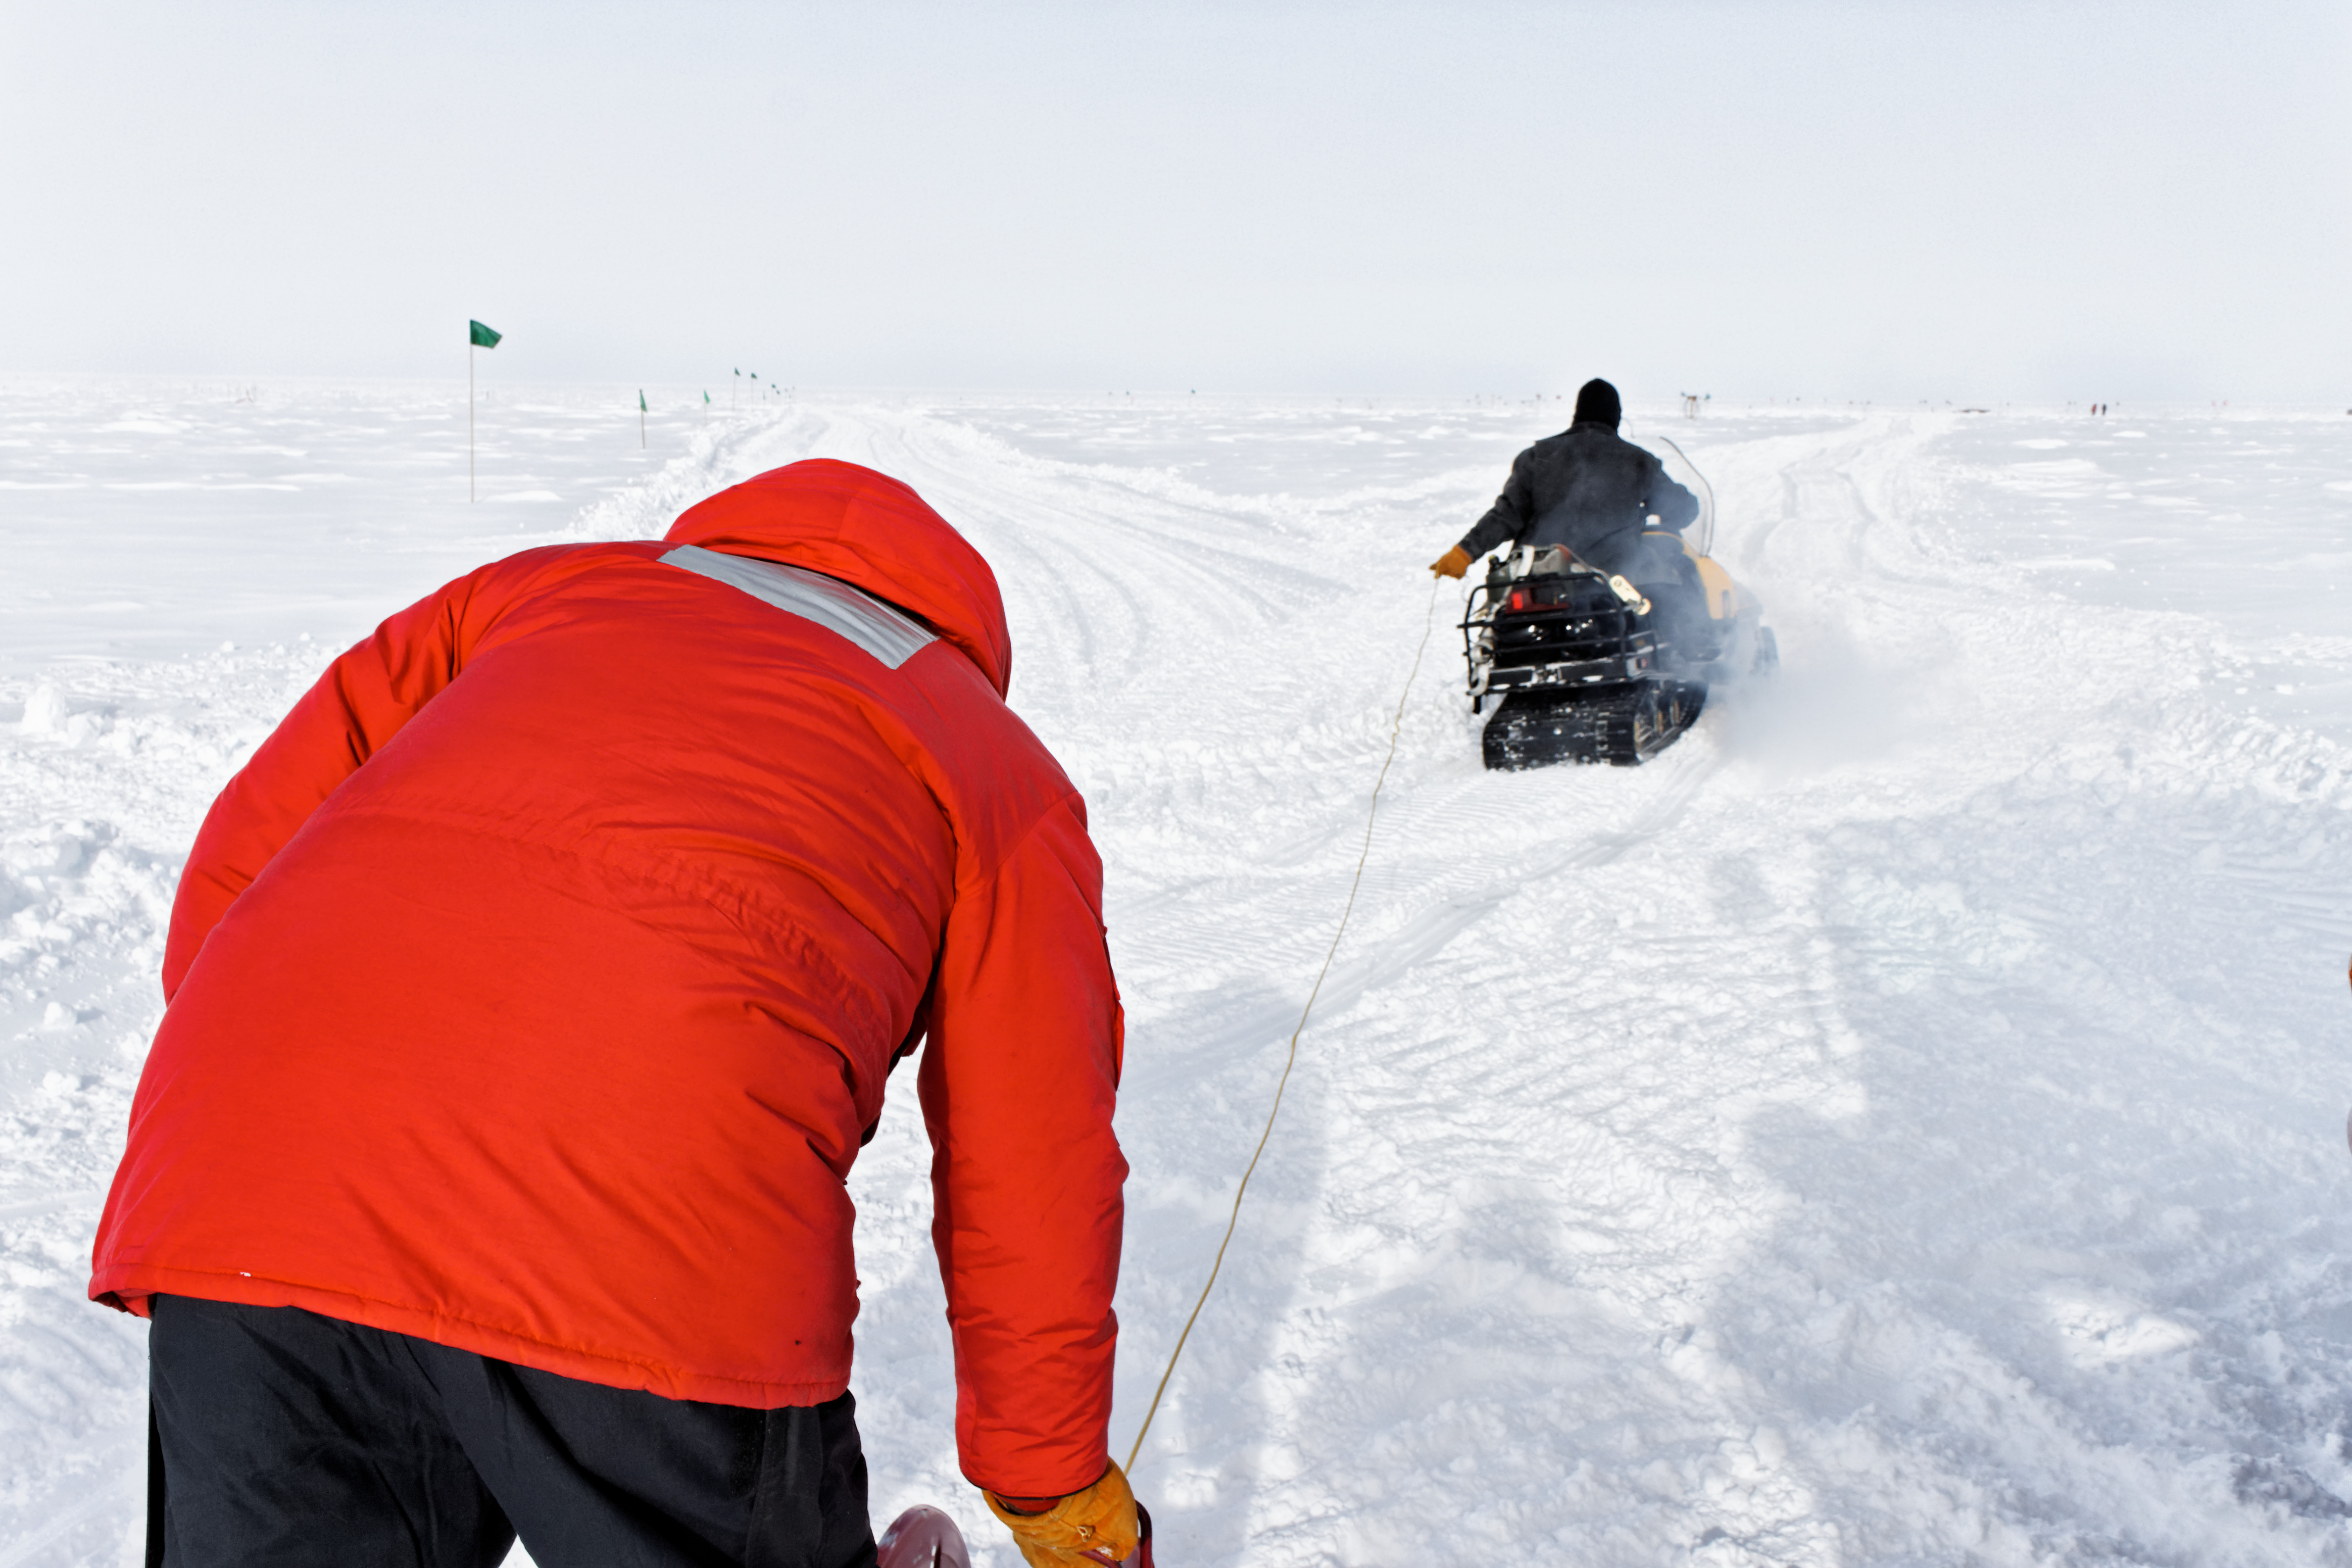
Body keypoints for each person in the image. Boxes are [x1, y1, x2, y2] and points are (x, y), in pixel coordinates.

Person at [89, 459, 1139, 1568]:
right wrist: (1050, 1484)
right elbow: (1031, 1156)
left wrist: (287, 1118)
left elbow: (242, 862)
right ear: (957, 628)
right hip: (648, 1239)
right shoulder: (987, 757)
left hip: (254, 1187)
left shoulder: (532, 593)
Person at [1429, 378, 1700, 587]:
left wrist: (1465, 552)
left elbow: (1506, 515)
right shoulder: (1638, 462)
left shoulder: (1537, 456)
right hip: (1614, 578)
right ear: (1616, 416)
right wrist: (1675, 509)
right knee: (1678, 581)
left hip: (1537, 576)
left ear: (1577, 413)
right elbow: (1682, 510)